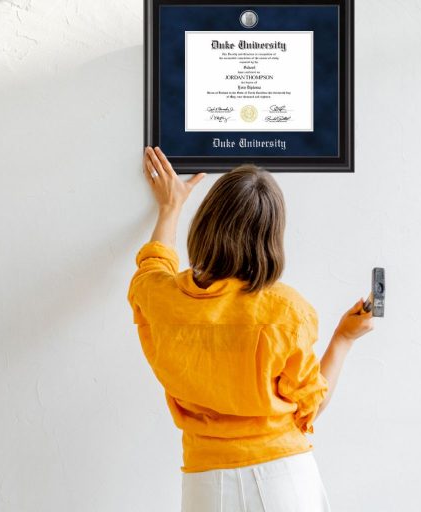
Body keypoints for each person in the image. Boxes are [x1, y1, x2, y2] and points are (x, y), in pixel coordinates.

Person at [128, 147, 374, 511]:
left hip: (206, 485)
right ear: (271, 239)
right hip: (285, 479)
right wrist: (343, 337)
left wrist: (170, 207)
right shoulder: (287, 311)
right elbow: (310, 407)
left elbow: (153, 263)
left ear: (205, 224)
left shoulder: (160, 299)